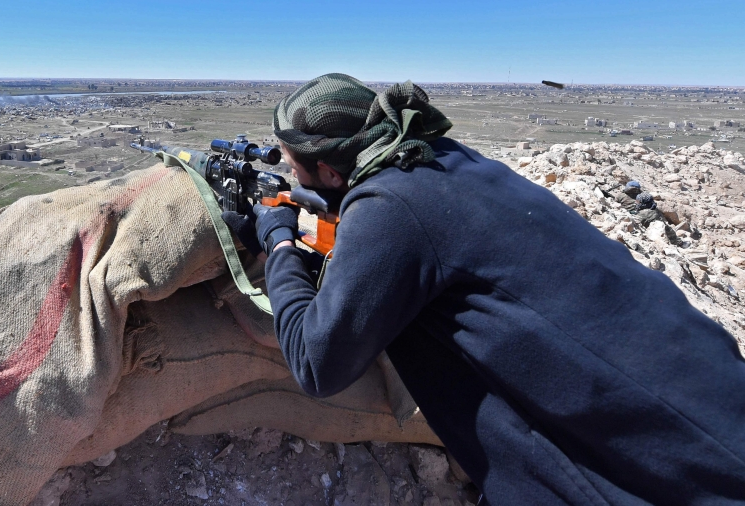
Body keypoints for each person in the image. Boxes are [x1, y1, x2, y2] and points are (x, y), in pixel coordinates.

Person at [225, 73, 745, 506]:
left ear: (330, 171)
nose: (289, 177)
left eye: (294, 170)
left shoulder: (389, 212)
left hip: (662, 458)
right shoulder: (442, 156)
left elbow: (316, 364)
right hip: (707, 380)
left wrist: (280, 243)